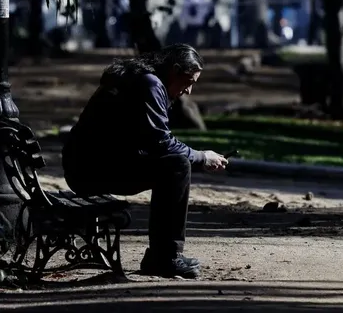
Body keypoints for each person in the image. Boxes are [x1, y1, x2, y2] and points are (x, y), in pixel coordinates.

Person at [62, 44, 228, 279]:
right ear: (175, 70)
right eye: (188, 81)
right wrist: (202, 156)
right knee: (178, 166)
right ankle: (166, 257)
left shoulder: (140, 79)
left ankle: (162, 255)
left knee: (174, 164)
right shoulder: (149, 84)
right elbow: (160, 142)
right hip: (92, 171)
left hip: (87, 166)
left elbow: (150, 140)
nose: (188, 90)